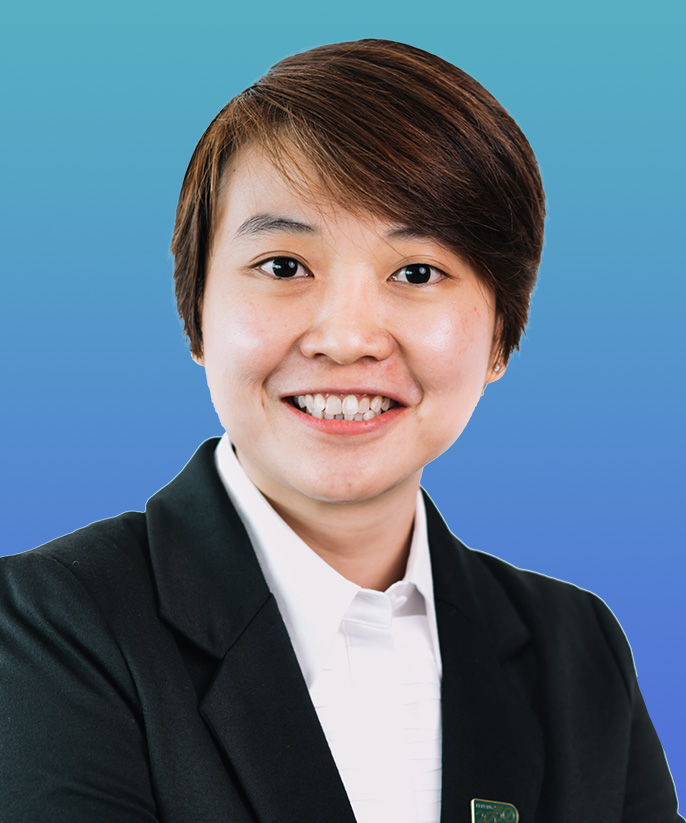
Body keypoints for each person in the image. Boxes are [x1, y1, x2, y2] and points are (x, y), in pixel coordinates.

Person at [0, 39, 681, 823]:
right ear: (197, 313)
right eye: (284, 265)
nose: (347, 337)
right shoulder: (54, 623)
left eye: (417, 272)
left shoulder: (577, 649)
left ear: (500, 335)